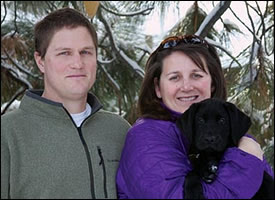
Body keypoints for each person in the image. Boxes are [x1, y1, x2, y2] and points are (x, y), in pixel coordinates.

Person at [116, 35, 274, 198]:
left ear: (212, 83)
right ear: (157, 88)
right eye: (174, 77)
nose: (186, 86)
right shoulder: (146, 138)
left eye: (196, 75)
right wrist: (245, 159)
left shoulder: (231, 129)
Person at [1, 8, 131, 199]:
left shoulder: (120, 130)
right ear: (41, 61)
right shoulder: (8, 134)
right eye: (64, 53)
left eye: (86, 52)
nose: (77, 63)